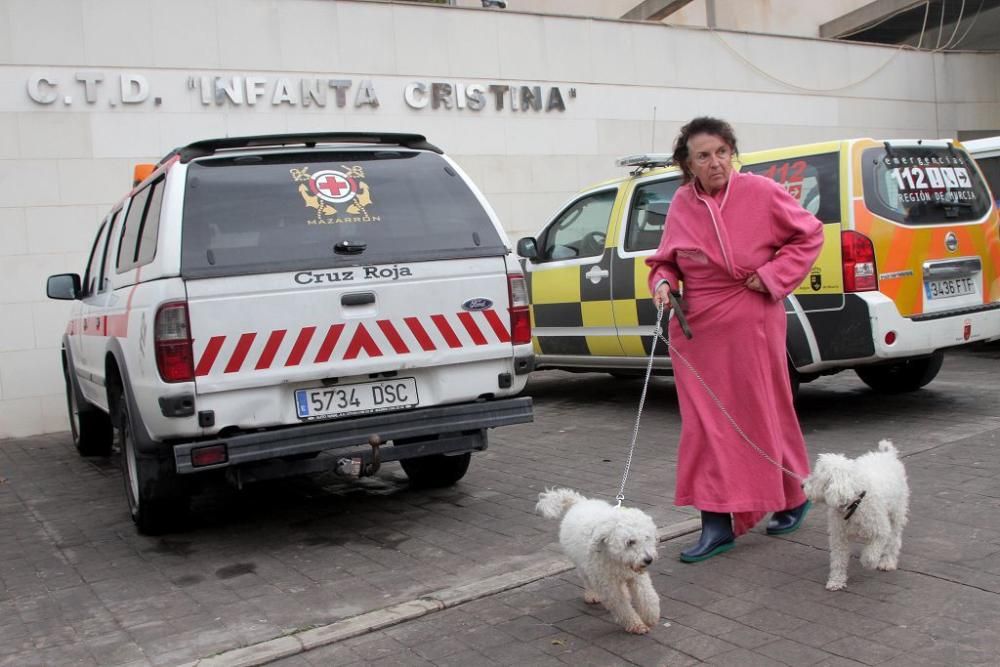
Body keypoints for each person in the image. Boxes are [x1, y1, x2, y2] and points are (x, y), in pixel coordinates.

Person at [646, 117, 824, 563]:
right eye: (703, 156)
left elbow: (809, 234)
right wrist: (664, 284)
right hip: (697, 329)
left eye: (721, 152)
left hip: (752, 319)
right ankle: (716, 522)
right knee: (706, 425)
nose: (714, 163)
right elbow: (665, 261)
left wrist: (773, 275)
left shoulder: (761, 192)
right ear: (687, 163)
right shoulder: (682, 204)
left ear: (732, 152)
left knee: (763, 413)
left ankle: (793, 493)